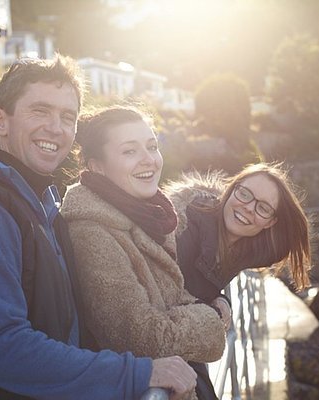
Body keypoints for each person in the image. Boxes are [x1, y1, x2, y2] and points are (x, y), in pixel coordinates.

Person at [0, 56, 197, 400]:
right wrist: (138, 373)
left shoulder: (44, 206)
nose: (56, 127)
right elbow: (4, 350)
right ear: (0, 120)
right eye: (40, 111)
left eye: (68, 117)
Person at [60, 106, 227, 400]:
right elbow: (139, 336)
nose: (149, 159)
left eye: (152, 146)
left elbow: (170, 298)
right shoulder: (91, 231)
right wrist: (212, 317)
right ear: (96, 166)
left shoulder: (146, 215)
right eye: (129, 151)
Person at [164, 163, 312, 305]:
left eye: (263, 208)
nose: (249, 208)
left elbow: (282, 244)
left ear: (270, 223)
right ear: (232, 189)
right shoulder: (184, 230)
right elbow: (169, 300)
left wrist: (219, 298)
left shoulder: (245, 251)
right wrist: (216, 311)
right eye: (245, 194)